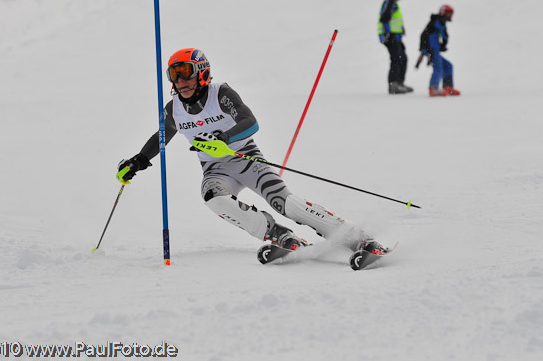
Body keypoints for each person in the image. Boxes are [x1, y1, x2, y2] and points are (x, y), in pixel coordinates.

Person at [118, 48, 385, 257]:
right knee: (213, 198)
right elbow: (160, 138)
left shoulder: (219, 93)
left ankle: (357, 238)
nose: (180, 80)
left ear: (201, 72)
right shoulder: (173, 108)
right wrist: (138, 161)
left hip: (247, 159)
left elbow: (250, 121)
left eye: (185, 72)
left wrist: (224, 138)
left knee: (287, 204)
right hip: (216, 170)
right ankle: (278, 235)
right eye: (174, 74)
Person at [378, 0, 413, 95]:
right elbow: (384, 17)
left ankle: (399, 84)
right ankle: (393, 86)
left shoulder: (392, 2)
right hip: (391, 36)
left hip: (395, 36)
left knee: (402, 58)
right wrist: (387, 33)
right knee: (397, 59)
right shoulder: (390, 1)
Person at [418, 5, 461, 96]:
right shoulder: (438, 20)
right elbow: (444, 34)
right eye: (448, 13)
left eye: (451, 14)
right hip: (432, 49)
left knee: (448, 65)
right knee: (438, 68)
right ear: (443, 13)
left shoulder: (436, 21)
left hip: (434, 49)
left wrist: (441, 45)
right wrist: (443, 43)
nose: (450, 16)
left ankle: (447, 86)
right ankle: (433, 88)